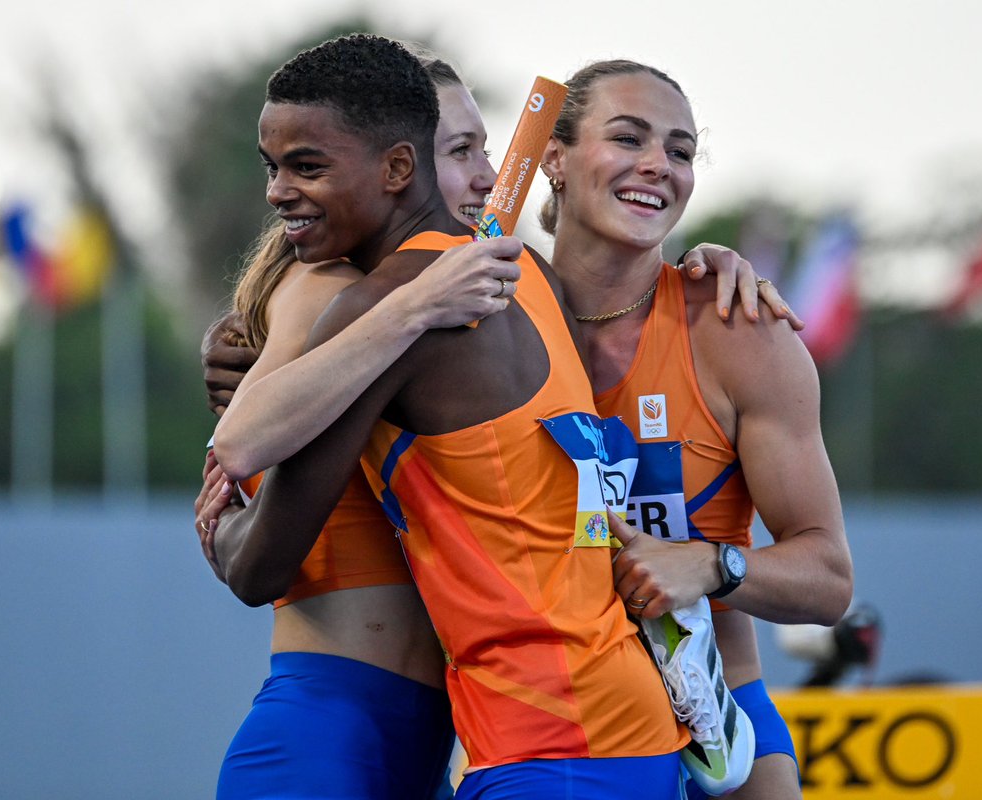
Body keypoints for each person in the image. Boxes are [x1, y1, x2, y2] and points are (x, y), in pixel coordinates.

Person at [199, 34, 688, 799]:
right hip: (610, 725)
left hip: (537, 738)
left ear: (397, 167)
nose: (489, 175)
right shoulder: (517, 275)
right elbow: (248, 421)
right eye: (276, 168)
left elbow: (252, 553)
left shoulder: (412, 298)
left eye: (307, 166)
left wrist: (221, 525)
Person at [536, 61, 854, 799]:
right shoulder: (494, 319)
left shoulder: (738, 330)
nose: (659, 165)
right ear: (553, 157)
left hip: (719, 734)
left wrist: (711, 566)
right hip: (546, 730)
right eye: (628, 137)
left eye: (680, 151)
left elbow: (830, 579)